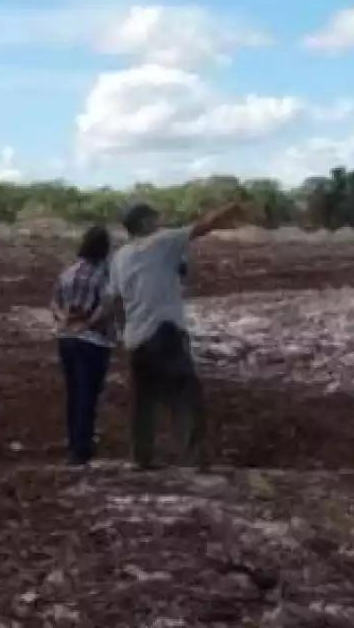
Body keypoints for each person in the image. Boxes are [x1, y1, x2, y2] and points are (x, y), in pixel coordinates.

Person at [96, 200, 251, 470]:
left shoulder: (119, 257)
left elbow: (113, 300)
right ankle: (194, 458)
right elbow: (205, 226)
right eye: (155, 218)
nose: (160, 221)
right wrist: (233, 206)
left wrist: (121, 333)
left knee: (142, 401)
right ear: (145, 223)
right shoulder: (164, 241)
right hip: (165, 330)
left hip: (136, 337)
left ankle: (141, 458)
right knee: (185, 395)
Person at [51, 225, 116, 466]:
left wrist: (64, 321)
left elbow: (54, 302)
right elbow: (107, 306)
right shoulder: (105, 274)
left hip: (66, 338)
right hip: (94, 340)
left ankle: (75, 443)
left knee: (74, 393)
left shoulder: (68, 272)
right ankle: (81, 448)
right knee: (89, 395)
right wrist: (88, 323)